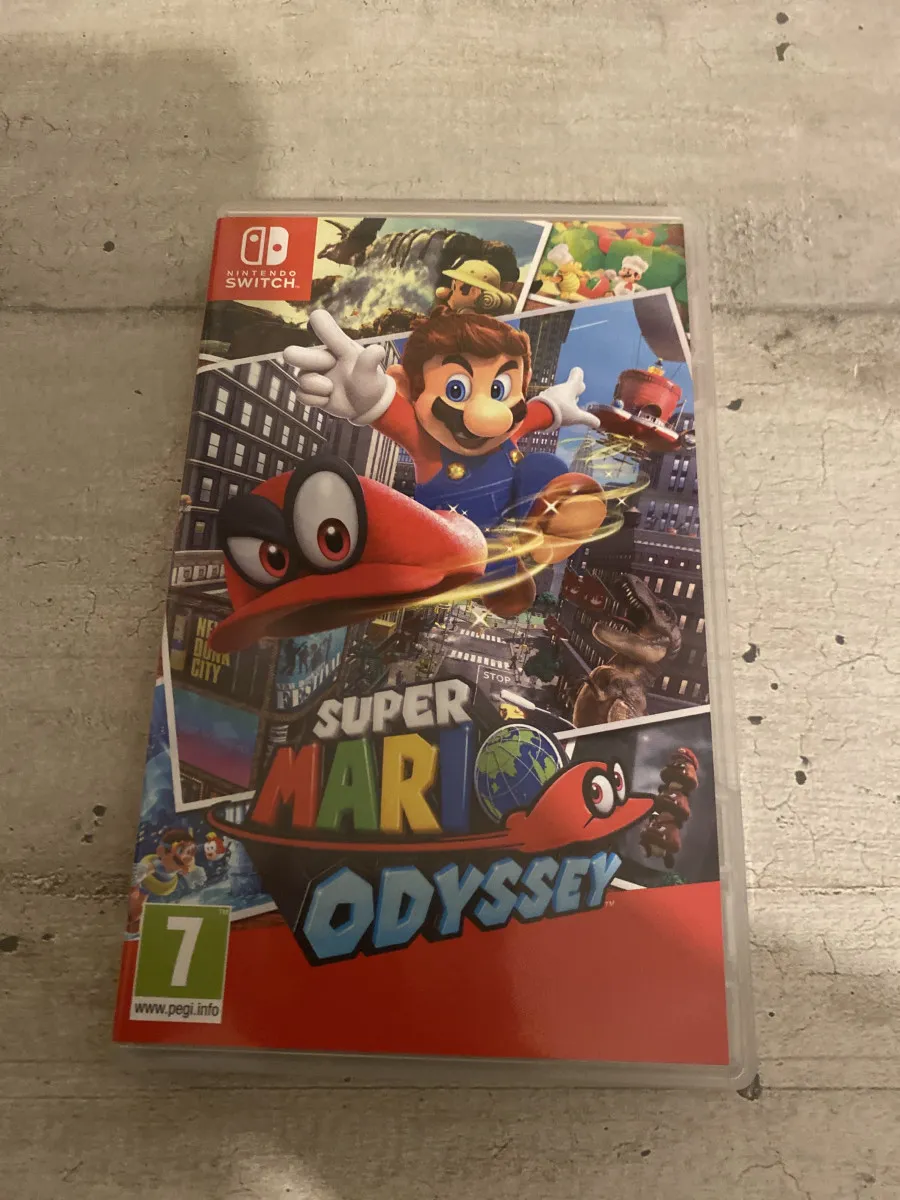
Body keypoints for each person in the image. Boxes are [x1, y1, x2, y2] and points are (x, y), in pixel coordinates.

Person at [284, 309, 606, 616]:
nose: (488, 416)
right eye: (456, 389)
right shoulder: (430, 448)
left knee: (541, 467)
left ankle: (549, 524)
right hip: (459, 537)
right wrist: (366, 396)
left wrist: (556, 403)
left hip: (512, 521)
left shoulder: (508, 433)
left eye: (499, 389)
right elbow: (391, 413)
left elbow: (536, 413)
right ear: (408, 389)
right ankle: (505, 576)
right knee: (496, 566)